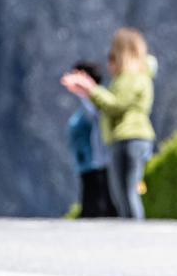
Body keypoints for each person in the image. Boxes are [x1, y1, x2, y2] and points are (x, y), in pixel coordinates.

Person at [61, 28, 156, 220]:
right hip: (124, 138)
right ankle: (130, 229)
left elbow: (115, 104)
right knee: (121, 194)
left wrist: (91, 89)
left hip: (130, 137)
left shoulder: (133, 77)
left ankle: (135, 232)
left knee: (128, 192)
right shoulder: (129, 78)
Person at [63, 61, 117, 218]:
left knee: (100, 207)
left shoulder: (97, 101)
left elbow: (96, 116)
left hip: (99, 162)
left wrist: (85, 89)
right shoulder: (85, 104)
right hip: (87, 164)